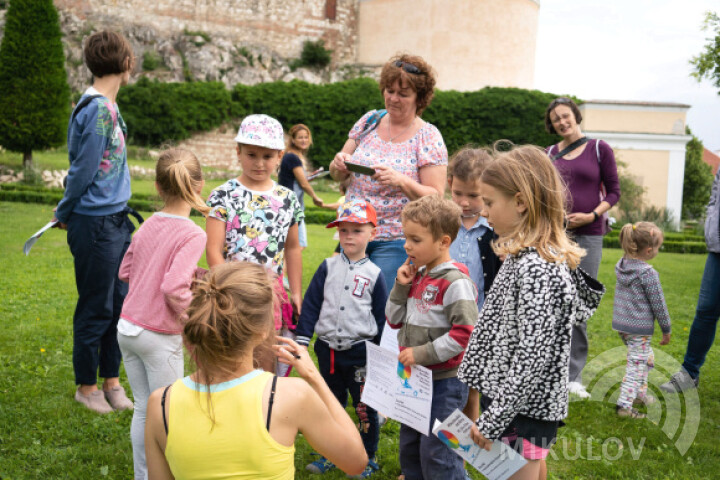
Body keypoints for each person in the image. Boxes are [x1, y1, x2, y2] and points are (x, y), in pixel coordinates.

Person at [458, 145, 605, 480]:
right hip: (520, 404)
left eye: (491, 202)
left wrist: (495, 418)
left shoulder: (539, 268)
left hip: (525, 410)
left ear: (521, 202)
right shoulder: (526, 258)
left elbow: (532, 355)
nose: (484, 212)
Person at [144, 262, 368, 479]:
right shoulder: (291, 395)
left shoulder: (160, 404)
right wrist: (314, 377)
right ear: (263, 330)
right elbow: (355, 462)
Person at [52, 30, 137, 414]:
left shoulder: (108, 107)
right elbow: (82, 171)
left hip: (116, 221)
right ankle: (87, 387)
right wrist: (65, 211)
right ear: (126, 64)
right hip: (96, 224)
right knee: (96, 306)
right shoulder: (98, 109)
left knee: (118, 304)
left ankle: (111, 382)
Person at [116, 148, 209, 479]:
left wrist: (194, 275)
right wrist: (190, 319)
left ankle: (145, 475)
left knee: (143, 406)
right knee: (169, 411)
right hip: (157, 334)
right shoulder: (193, 233)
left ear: (157, 186)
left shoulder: (147, 225)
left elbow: (126, 270)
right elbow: (172, 288)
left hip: (127, 328)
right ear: (199, 185)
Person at [329, 54, 448, 285]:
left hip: (394, 240)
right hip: (353, 232)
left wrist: (401, 180)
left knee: (380, 307)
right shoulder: (369, 120)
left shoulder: (428, 136)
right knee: (343, 302)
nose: (393, 98)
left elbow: (436, 196)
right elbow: (337, 174)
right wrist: (339, 163)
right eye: (389, 91)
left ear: (419, 98)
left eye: (403, 94)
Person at [385, 195, 479, 480]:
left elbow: (464, 335)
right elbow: (393, 319)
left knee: (438, 450)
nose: (406, 245)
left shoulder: (455, 283)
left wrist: (421, 353)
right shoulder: (418, 275)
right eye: (405, 237)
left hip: (445, 382)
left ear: (443, 242)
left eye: (415, 239)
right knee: (410, 447)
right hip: (414, 379)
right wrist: (401, 287)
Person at [295, 200, 388, 478]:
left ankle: (367, 455)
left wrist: (383, 357)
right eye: (343, 230)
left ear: (373, 233)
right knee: (329, 403)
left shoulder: (375, 275)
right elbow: (311, 304)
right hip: (328, 352)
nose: (349, 236)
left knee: (363, 406)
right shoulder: (327, 266)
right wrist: (302, 340)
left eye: (357, 230)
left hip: (360, 353)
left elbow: (382, 316)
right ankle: (330, 452)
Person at [205, 114, 304, 373]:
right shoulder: (222, 195)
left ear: (280, 156)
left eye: (267, 156)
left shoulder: (287, 199)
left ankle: (262, 412)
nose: (259, 163)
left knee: (263, 362)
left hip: (270, 295)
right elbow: (213, 250)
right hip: (232, 293)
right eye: (251, 155)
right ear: (238, 152)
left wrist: (295, 292)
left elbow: (292, 248)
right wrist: (226, 289)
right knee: (229, 361)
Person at [544, 97, 621, 398]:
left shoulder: (599, 149)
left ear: (576, 116)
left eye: (566, 116)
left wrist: (592, 215)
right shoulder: (550, 154)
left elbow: (614, 192)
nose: (562, 122)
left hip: (589, 234)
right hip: (555, 235)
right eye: (556, 120)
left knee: (579, 301)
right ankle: (548, 367)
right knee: (551, 299)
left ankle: (572, 376)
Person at [661, 168, 720, 393]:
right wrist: (712, 220)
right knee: (706, 310)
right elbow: (715, 193)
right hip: (718, 250)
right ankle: (689, 373)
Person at [612, 222, 671, 418]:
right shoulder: (648, 274)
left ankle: (639, 394)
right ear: (648, 250)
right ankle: (625, 406)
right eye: (658, 247)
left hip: (623, 326)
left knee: (646, 359)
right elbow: (659, 305)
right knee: (636, 365)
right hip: (639, 329)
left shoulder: (622, 267)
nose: (658, 250)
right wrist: (666, 328)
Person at [447, 146, 502, 311]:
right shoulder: (442, 222)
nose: (464, 202)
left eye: (473, 196)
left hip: (482, 318)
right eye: (457, 193)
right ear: (450, 183)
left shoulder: (497, 229)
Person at [278, 124, 324, 249]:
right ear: (293, 139)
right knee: (298, 245)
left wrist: (309, 176)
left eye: (306, 137)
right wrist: (315, 197)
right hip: (291, 206)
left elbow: (298, 179)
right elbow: (303, 183)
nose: (304, 140)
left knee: (293, 245)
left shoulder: (293, 156)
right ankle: (281, 267)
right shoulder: (293, 157)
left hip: (289, 205)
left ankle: (281, 267)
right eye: (300, 137)